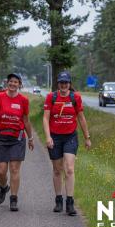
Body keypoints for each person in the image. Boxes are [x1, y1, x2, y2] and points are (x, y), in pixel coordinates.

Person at [42, 71, 91, 216]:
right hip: (55, 137)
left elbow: (81, 118)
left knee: (69, 168)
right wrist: (48, 137)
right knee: (57, 170)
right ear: (58, 84)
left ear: (70, 84)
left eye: (66, 83)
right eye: (61, 83)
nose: (64, 85)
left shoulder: (75, 97)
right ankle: (58, 200)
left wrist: (87, 137)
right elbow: (45, 118)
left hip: (70, 136)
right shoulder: (51, 97)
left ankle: (70, 202)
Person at [0, 73, 34, 211]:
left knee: (14, 169)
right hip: (1, 138)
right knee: (1, 171)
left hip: (17, 138)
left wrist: (30, 138)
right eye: (11, 82)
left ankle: (14, 198)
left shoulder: (23, 100)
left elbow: (26, 121)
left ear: (19, 84)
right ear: (7, 83)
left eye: (16, 82)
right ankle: (3, 187)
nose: (13, 84)